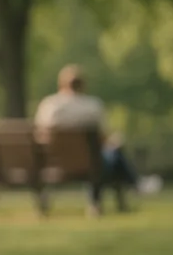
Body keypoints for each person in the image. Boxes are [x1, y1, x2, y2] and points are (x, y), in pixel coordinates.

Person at [34, 64, 138, 215]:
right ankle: (132, 185)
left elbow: (39, 135)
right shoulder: (92, 106)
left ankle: (135, 184)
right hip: (91, 164)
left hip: (53, 163)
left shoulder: (49, 105)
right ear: (83, 85)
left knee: (110, 156)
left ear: (61, 84)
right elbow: (103, 138)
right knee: (114, 153)